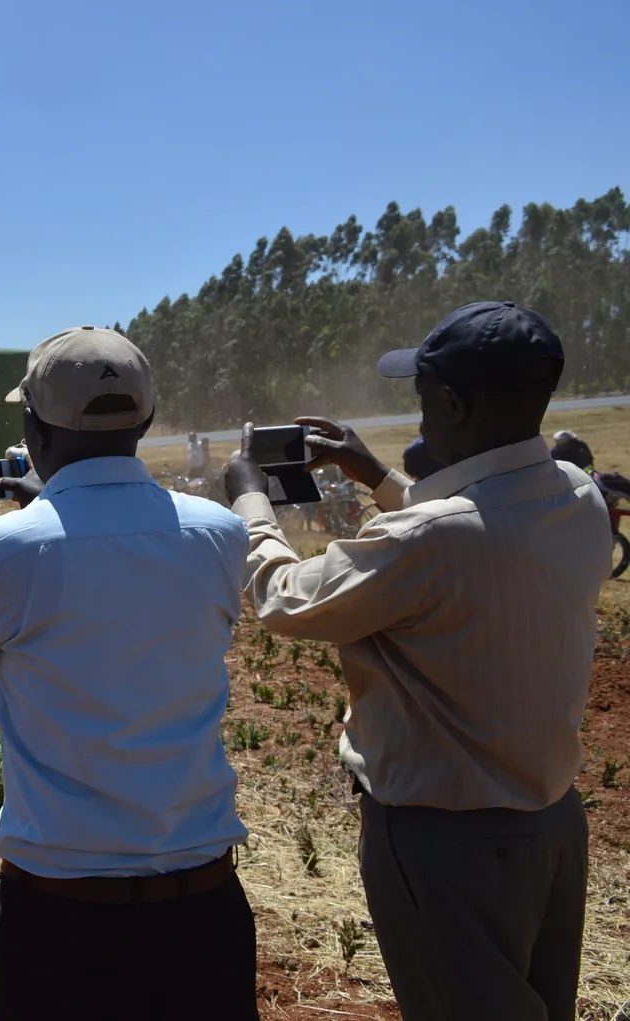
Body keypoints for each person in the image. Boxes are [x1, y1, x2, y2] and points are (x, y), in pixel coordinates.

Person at [222, 301, 604, 1021]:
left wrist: (251, 500)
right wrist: (375, 475)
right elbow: (475, 530)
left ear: (455, 402)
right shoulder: (578, 496)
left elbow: (285, 598)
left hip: (446, 845)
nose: (419, 414)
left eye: (424, 397)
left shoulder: (427, 541)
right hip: (551, 829)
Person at [0, 326, 259, 1020]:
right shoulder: (220, 533)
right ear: (144, 419)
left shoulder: (5, 552)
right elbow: (117, 584)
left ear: (31, 425)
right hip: (206, 913)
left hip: (63, 921)